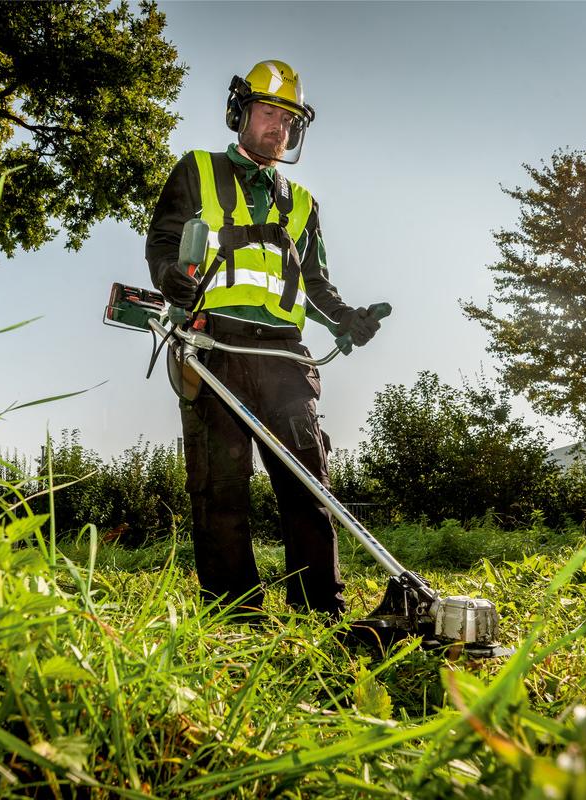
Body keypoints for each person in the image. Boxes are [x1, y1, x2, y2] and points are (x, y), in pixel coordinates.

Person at [144, 60, 384, 621]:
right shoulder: (195, 170)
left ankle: (318, 611)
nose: (278, 126)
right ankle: (236, 618)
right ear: (241, 113)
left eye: (288, 118)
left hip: (281, 353)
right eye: (268, 112)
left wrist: (346, 319)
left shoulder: (302, 203)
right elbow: (162, 241)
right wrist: (167, 276)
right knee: (220, 489)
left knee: (308, 484)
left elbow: (316, 282)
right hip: (212, 347)